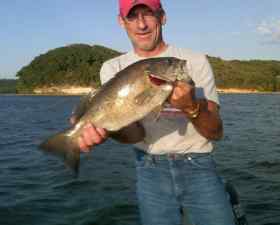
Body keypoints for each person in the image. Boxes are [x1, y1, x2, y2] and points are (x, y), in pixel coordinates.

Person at [75, 0, 236, 224]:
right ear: (122, 22)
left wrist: (191, 107)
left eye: (148, 14)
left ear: (163, 17)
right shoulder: (112, 68)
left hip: (199, 165)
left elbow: (216, 132)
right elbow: (136, 136)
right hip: (149, 168)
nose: (142, 25)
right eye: (133, 17)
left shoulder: (195, 61)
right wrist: (108, 130)